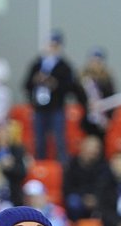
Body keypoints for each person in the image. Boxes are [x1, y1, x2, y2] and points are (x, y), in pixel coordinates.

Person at [23, 31, 83, 161]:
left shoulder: (64, 66)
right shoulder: (37, 64)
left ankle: (63, 171)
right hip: (39, 109)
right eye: (50, 45)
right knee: (39, 140)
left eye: (55, 45)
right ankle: (40, 168)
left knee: (59, 140)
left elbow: (71, 88)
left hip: (57, 108)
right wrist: (35, 81)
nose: (52, 48)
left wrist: (55, 84)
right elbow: (26, 85)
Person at [63, 132, 115, 223]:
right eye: (91, 147)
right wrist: (84, 197)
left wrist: (95, 197)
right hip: (79, 198)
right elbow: (67, 187)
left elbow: (106, 186)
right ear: (82, 147)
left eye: (96, 148)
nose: (93, 151)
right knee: (73, 201)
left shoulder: (104, 165)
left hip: (98, 198)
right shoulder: (72, 164)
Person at [78, 48, 117, 138]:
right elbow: (79, 97)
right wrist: (87, 104)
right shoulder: (83, 79)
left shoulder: (107, 80)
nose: (95, 64)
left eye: (98, 62)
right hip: (87, 117)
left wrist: (108, 115)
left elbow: (112, 98)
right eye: (93, 61)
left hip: (103, 117)